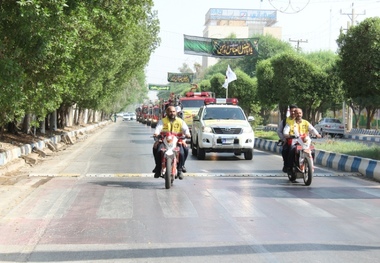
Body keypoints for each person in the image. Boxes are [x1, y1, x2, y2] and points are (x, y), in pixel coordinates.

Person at [152, 106, 191, 179]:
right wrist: (156, 134)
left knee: (184, 151)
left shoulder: (180, 121)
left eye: (173, 111)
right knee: (156, 149)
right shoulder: (162, 121)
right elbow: (158, 129)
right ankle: (158, 168)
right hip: (164, 141)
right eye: (170, 111)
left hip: (177, 141)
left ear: (176, 112)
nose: (172, 113)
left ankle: (180, 169)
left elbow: (186, 130)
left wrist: (187, 134)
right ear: (167, 112)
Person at [277, 105, 298, 173]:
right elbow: (279, 131)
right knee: (285, 150)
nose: (293, 113)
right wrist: (284, 139)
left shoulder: (301, 121)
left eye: (295, 111)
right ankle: (287, 165)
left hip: (301, 141)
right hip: (289, 141)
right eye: (291, 111)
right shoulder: (285, 121)